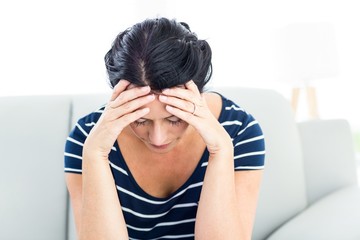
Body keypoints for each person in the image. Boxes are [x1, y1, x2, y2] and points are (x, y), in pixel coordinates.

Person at [64, 17, 265, 240]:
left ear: (197, 94)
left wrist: (220, 149)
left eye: (173, 119)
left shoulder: (239, 132)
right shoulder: (88, 139)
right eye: (140, 121)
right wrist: (94, 154)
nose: (158, 139)